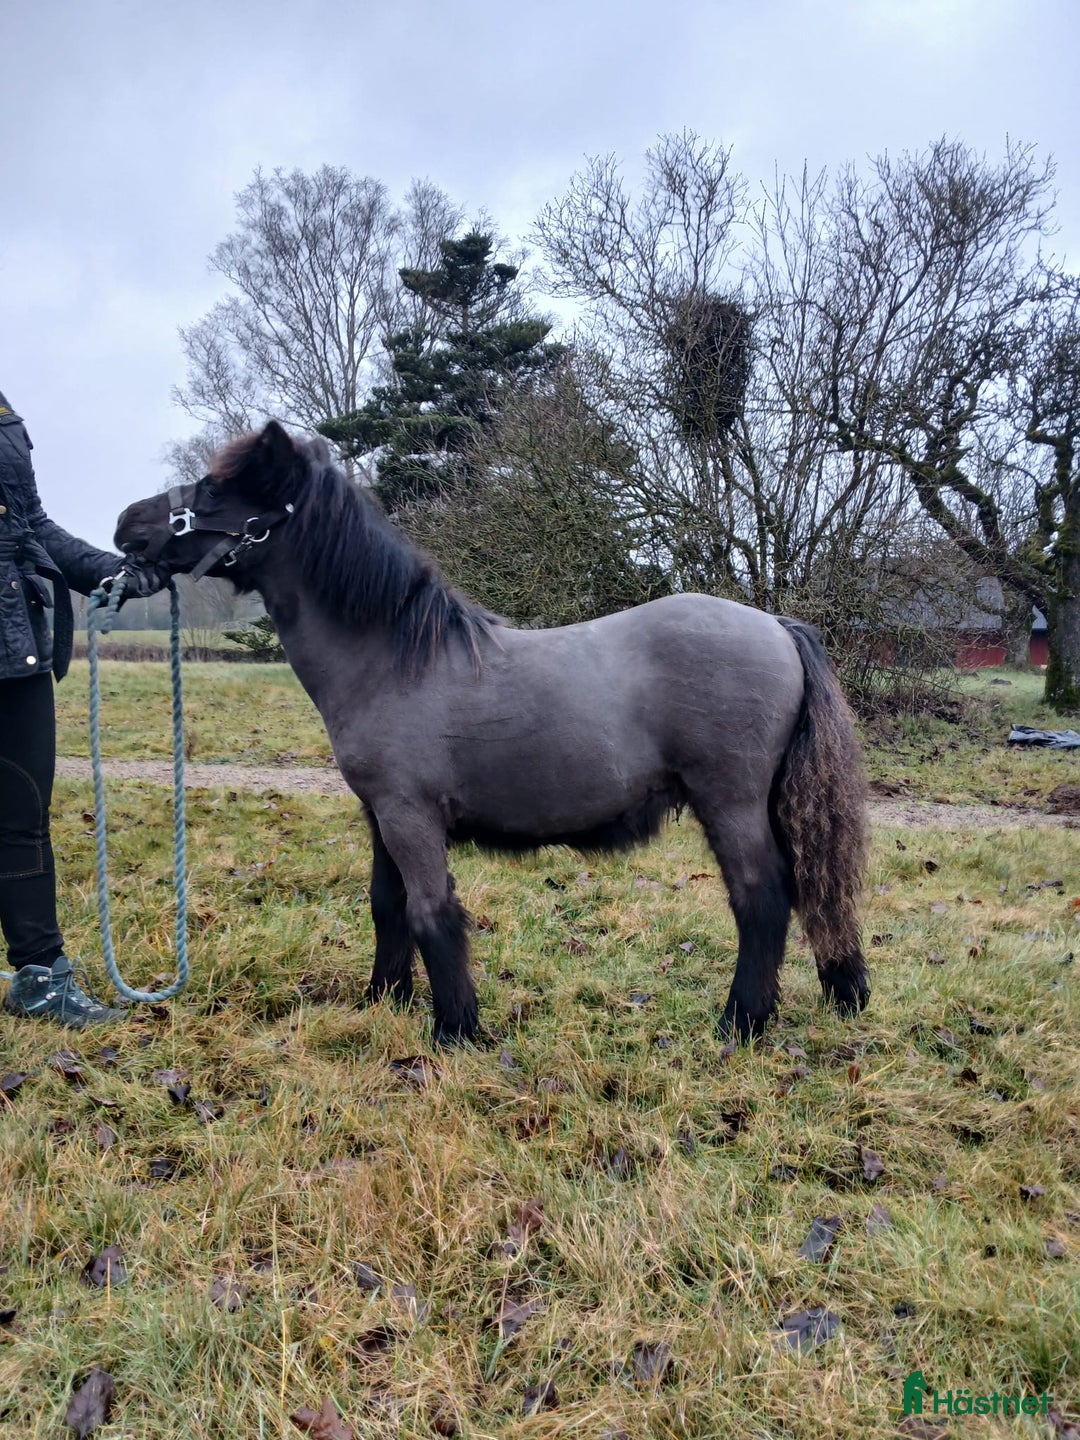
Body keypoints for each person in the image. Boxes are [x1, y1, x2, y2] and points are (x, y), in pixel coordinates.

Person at [0, 387, 168, 1027]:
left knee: (22, 815)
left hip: (15, 642)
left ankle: (41, 976)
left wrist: (108, 572)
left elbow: (30, 524)